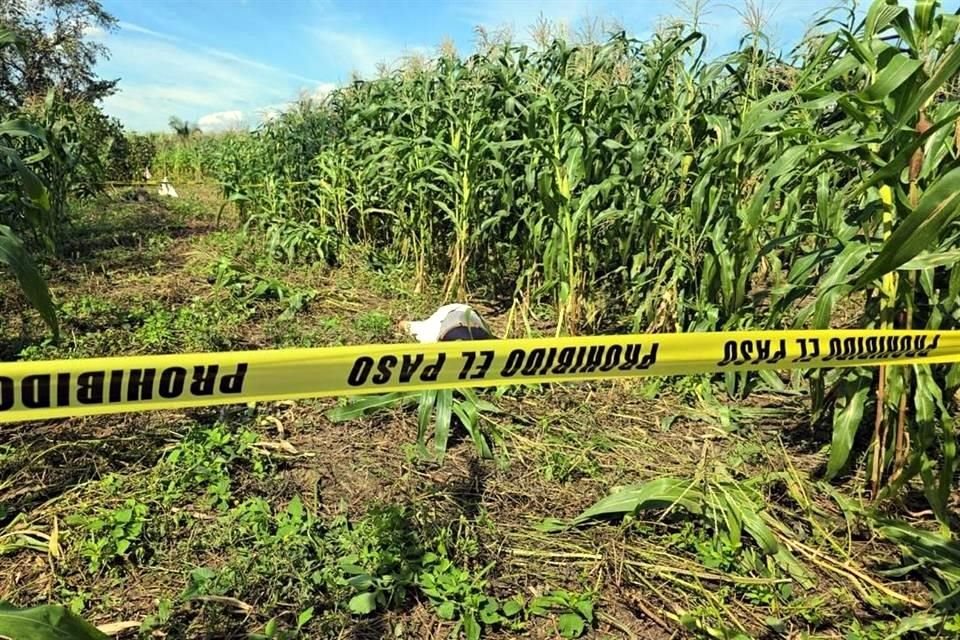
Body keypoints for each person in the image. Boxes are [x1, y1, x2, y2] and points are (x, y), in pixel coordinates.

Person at [399, 304, 495, 343]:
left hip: (467, 314)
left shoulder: (430, 334)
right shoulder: (430, 332)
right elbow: (404, 325)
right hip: (450, 314)